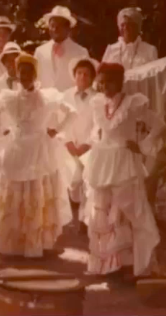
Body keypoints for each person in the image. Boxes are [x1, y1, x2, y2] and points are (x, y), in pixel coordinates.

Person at [82, 63, 164, 279]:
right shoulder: (98, 103)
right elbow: (96, 130)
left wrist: (143, 145)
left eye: (110, 81)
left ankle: (138, 265)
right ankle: (110, 265)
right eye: (101, 81)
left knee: (133, 212)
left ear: (120, 81)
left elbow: (158, 125)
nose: (105, 86)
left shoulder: (133, 103)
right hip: (103, 160)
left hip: (124, 163)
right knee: (106, 212)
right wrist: (95, 142)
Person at [0, 55, 75, 257]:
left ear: (35, 74)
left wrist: (57, 129)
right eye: (22, 73)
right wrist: (5, 129)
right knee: (16, 191)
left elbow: (72, 112)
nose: (25, 76)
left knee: (38, 190)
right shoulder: (10, 97)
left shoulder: (47, 96)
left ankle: (37, 243)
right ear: (17, 75)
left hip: (38, 146)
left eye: (29, 72)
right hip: (17, 146)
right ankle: (15, 243)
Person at [61, 57, 99, 232]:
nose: (82, 77)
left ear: (92, 78)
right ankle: (74, 206)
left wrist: (88, 144)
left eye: (86, 74)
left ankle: (84, 220)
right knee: (74, 181)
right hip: (69, 145)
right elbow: (61, 121)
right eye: (79, 73)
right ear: (74, 75)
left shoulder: (97, 98)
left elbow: (98, 124)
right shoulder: (66, 95)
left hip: (89, 146)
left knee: (87, 182)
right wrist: (68, 142)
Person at [34, 6, 89, 91]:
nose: (55, 29)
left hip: (70, 102)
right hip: (45, 102)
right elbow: (35, 80)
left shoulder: (81, 52)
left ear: (68, 28)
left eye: (59, 26)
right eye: (52, 25)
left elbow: (86, 83)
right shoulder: (40, 52)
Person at [0, 42, 22, 143]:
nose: (12, 64)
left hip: (23, 136)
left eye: (15, 61)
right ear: (4, 63)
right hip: (3, 135)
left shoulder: (27, 82)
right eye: (9, 61)